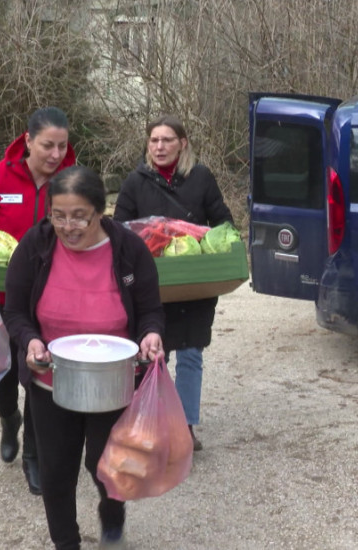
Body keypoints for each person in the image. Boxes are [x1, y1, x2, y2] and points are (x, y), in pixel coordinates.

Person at [2, 166, 164, 550]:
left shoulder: (128, 250)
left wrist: (151, 335)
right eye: (58, 215)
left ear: (100, 212)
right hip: (51, 381)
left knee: (105, 465)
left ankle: (112, 519)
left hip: (113, 381)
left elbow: (151, 311)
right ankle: (67, 544)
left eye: (79, 217)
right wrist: (30, 341)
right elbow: (15, 312)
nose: (68, 226)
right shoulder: (36, 246)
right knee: (56, 473)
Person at [0, 107, 76, 495]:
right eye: (48, 145)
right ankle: (7, 417)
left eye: (63, 145)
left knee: (39, 377)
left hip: (49, 299)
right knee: (3, 377)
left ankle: (34, 457)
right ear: (27, 140)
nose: (56, 154)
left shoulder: (73, 180)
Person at [113, 115, 234, 451]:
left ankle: (185, 428)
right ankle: (149, 426)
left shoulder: (201, 177)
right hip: (151, 289)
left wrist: (204, 238)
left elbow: (223, 221)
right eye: (154, 140)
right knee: (150, 357)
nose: (160, 146)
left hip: (194, 286)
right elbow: (118, 228)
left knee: (191, 354)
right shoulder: (135, 182)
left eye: (167, 140)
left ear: (183, 143)